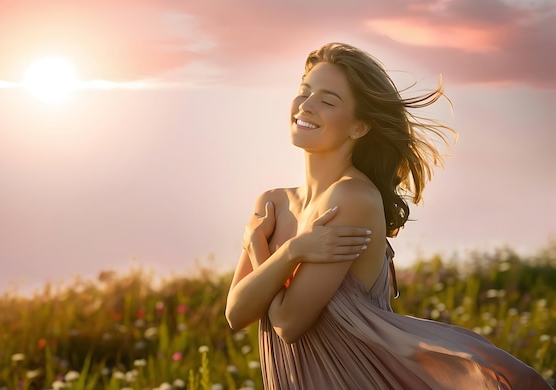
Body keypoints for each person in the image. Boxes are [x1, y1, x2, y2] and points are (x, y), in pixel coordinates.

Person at [225, 42, 552, 389]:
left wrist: (270, 248)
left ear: (359, 127)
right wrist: (289, 251)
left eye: (328, 100)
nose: (306, 105)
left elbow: (287, 324)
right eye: (304, 91)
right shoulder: (272, 201)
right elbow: (236, 314)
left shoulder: (351, 197)